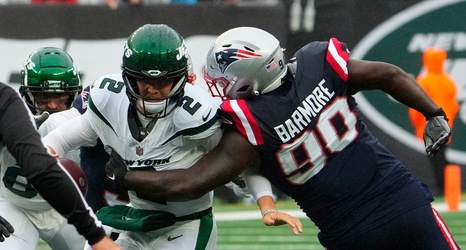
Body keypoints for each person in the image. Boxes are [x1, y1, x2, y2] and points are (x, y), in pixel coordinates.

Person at [105, 26, 460, 249]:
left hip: (352, 233)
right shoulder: (317, 64)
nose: (218, 85)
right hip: (404, 202)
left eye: (223, 76)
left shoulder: (250, 124)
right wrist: (433, 112)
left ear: (250, 74)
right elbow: (388, 73)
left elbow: (189, 184)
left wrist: (125, 176)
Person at [43, 24, 301, 249]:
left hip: (186, 226)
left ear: (180, 79)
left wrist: (267, 205)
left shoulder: (198, 115)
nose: (153, 89)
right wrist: (44, 153)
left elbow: (241, 162)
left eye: (163, 81)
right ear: (127, 77)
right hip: (135, 220)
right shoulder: (109, 100)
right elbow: (66, 136)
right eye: (143, 80)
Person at [0, 47, 109, 250]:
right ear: (27, 96)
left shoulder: (83, 119)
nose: (52, 105)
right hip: (14, 207)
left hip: (65, 210)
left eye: (61, 99)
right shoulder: (9, 116)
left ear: (74, 95)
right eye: (43, 98)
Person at [408, 47, 459, 195]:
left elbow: (415, 106)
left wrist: (418, 123)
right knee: (442, 156)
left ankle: (443, 188)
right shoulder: (447, 81)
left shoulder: (424, 81)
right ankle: (448, 186)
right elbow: (454, 105)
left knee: (436, 158)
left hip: (430, 125)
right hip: (445, 123)